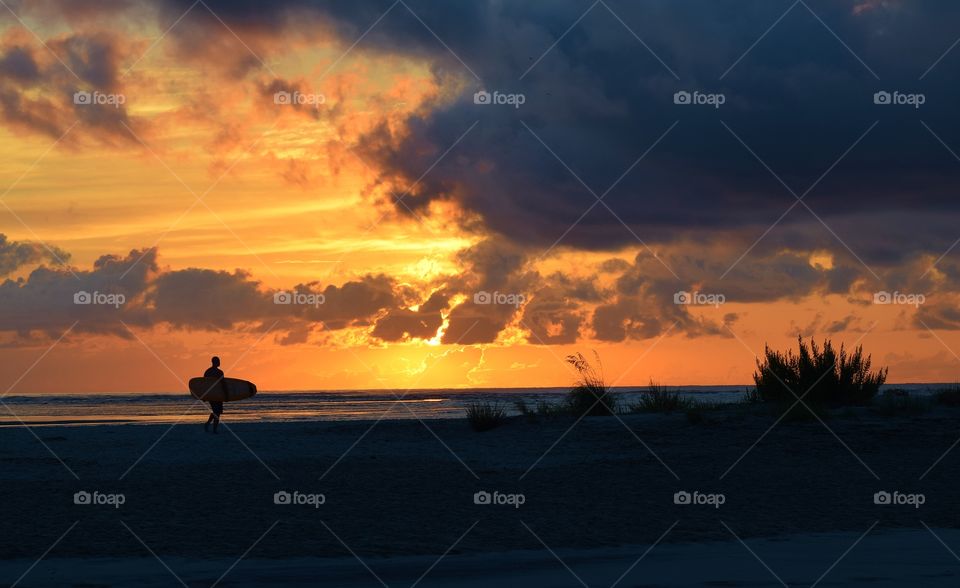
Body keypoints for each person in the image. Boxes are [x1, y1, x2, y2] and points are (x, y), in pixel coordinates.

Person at [203, 356, 226, 434]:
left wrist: (204, 396)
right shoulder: (220, 372)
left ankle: (208, 424)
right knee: (217, 412)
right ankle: (214, 429)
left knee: (216, 411)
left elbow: (204, 384)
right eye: (218, 361)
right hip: (218, 395)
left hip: (211, 395)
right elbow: (223, 384)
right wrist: (226, 394)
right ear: (215, 362)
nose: (220, 362)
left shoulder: (207, 372)